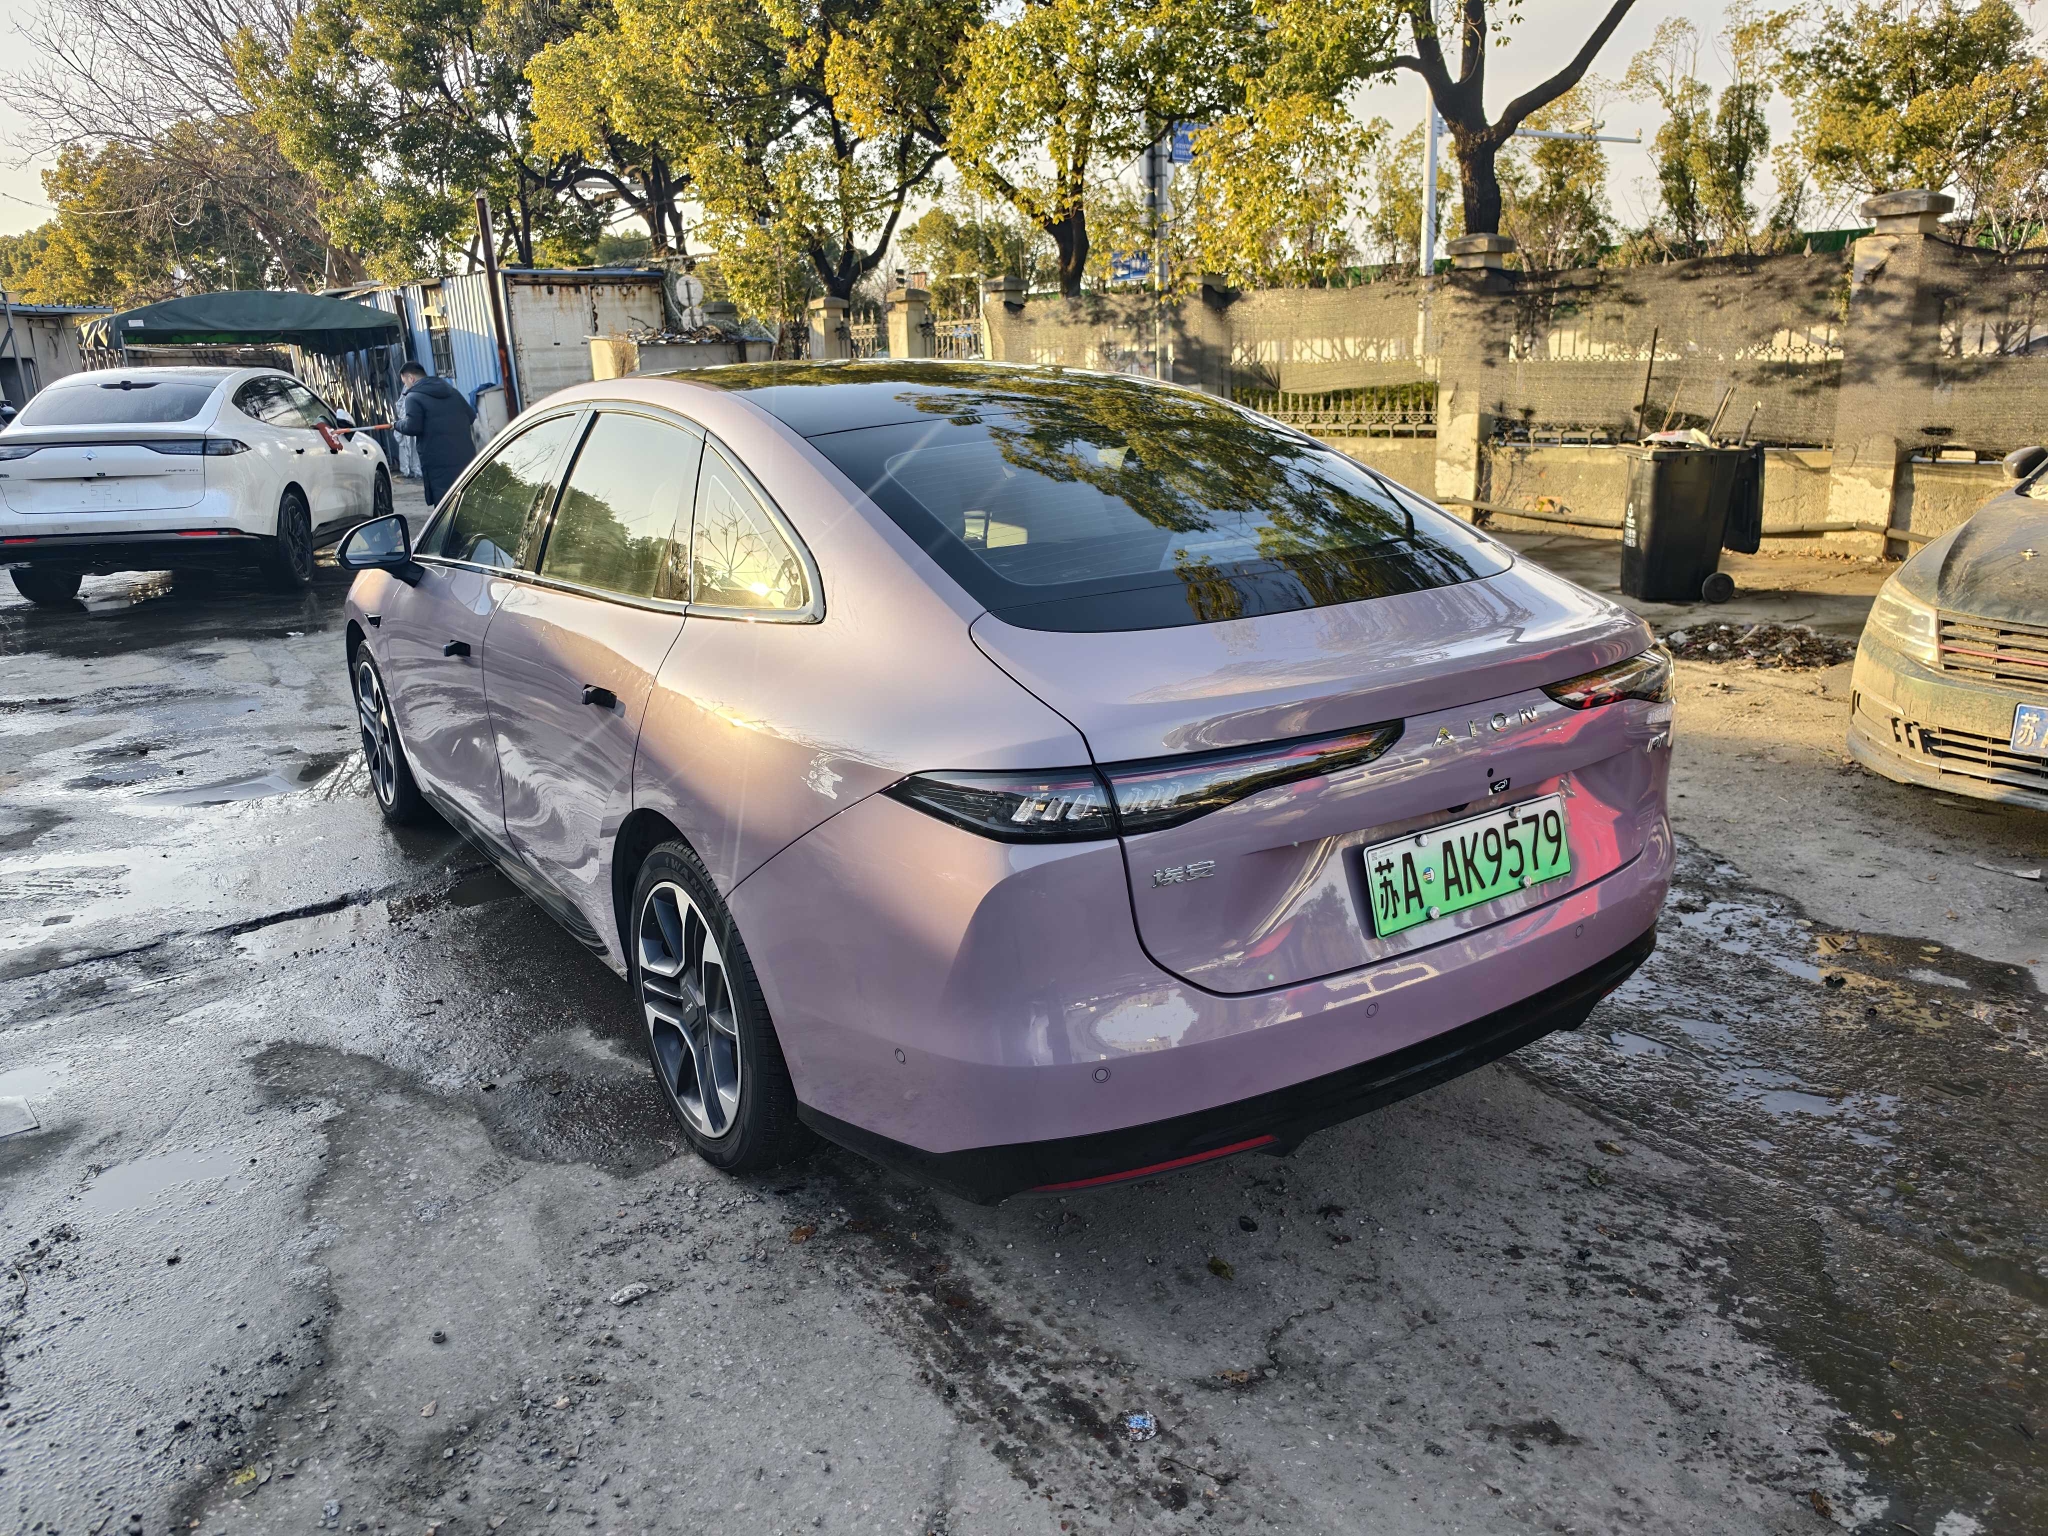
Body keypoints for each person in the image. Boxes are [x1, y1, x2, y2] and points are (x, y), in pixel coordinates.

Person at [394, 363, 477, 506]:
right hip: (465, 458)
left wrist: (396, 424)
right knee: (468, 502)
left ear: (411, 378)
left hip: (437, 463)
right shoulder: (452, 391)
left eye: (405, 382)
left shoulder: (413, 397)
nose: (405, 387)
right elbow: (471, 416)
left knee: (445, 506)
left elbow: (412, 427)